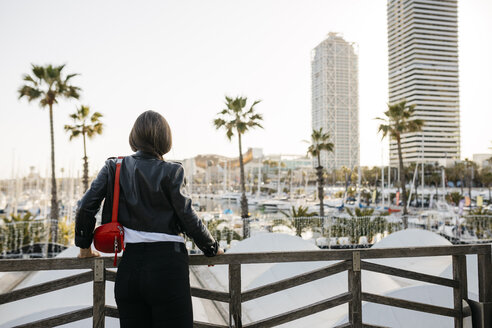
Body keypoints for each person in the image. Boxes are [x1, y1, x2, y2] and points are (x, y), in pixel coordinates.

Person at [75, 110, 223, 327]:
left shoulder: (113, 166)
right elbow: (187, 215)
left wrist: (84, 248)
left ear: (134, 137)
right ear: (165, 140)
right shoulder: (172, 171)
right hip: (168, 268)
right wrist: (211, 248)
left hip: (130, 268)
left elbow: (85, 206)